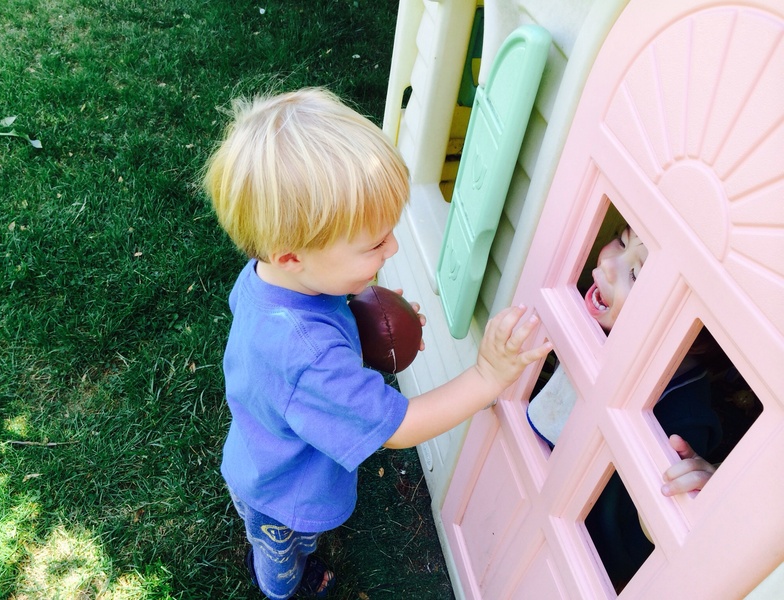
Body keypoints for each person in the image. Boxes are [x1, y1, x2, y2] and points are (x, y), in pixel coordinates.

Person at [202, 87, 552, 600]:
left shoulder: (266, 279)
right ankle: (283, 586)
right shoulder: (311, 359)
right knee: (283, 550)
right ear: (293, 255)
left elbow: (308, 335)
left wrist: (362, 313)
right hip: (282, 495)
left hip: (259, 448)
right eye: (373, 245)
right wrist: (487, 375)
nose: (393, 247)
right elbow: (401, 428)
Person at [551, 224, 721, 589]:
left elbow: (662, 525)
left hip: (594, 565)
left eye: (634, 273)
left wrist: (683, 498)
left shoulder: (684, 420)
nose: (604, 267)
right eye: (620, 241)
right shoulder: (604, 321)